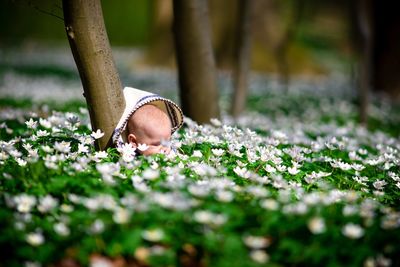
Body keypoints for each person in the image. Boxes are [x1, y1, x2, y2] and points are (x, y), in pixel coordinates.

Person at [112, 87, 183, 156]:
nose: (165, 149)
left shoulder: (171, 153)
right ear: (134, 142)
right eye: (156, 144)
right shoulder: (128, 159)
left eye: (167, 141)